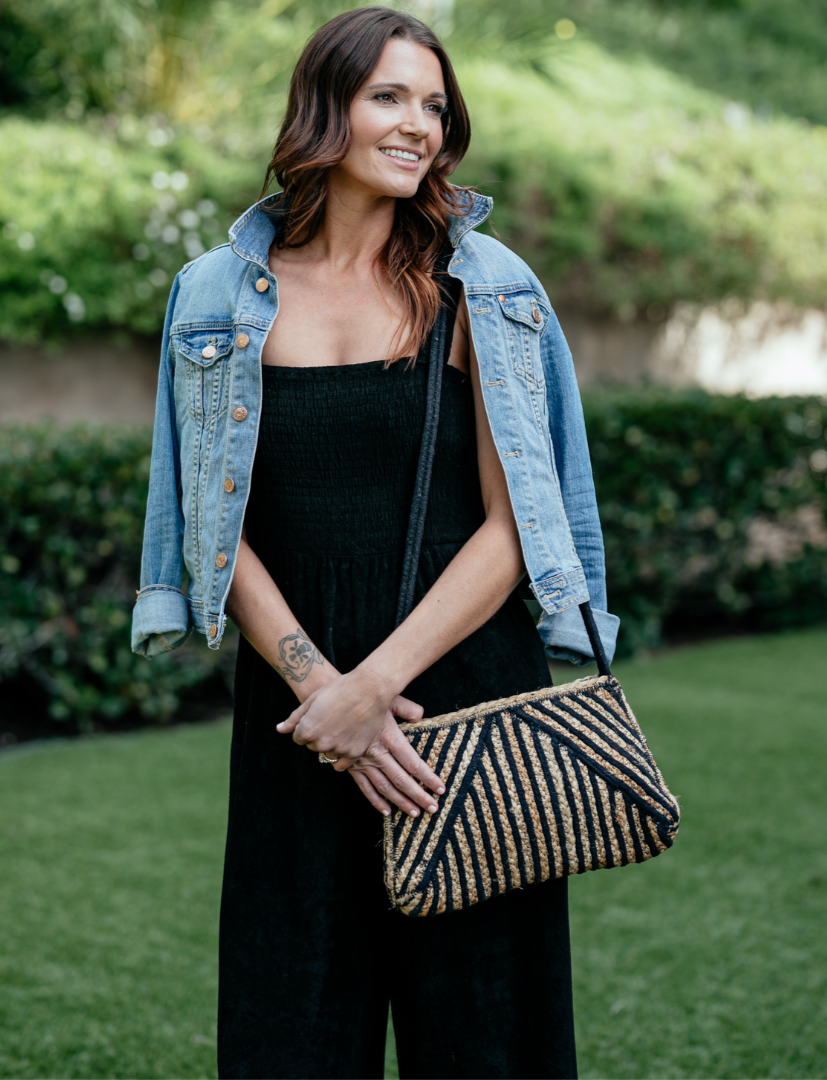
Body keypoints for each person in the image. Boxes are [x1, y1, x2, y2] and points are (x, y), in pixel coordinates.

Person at [131, 7, 619, 1078]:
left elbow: (511, 525)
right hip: (294, 705)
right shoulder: (214, 297)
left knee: (487, 1033)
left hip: (464, 689)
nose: (417, 125)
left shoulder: (481, 285)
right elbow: (218, 530)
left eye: (434, 105)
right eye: (388, 97)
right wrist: (322, 690)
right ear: (325, 109)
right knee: (289, 1023)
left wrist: (373, 689)